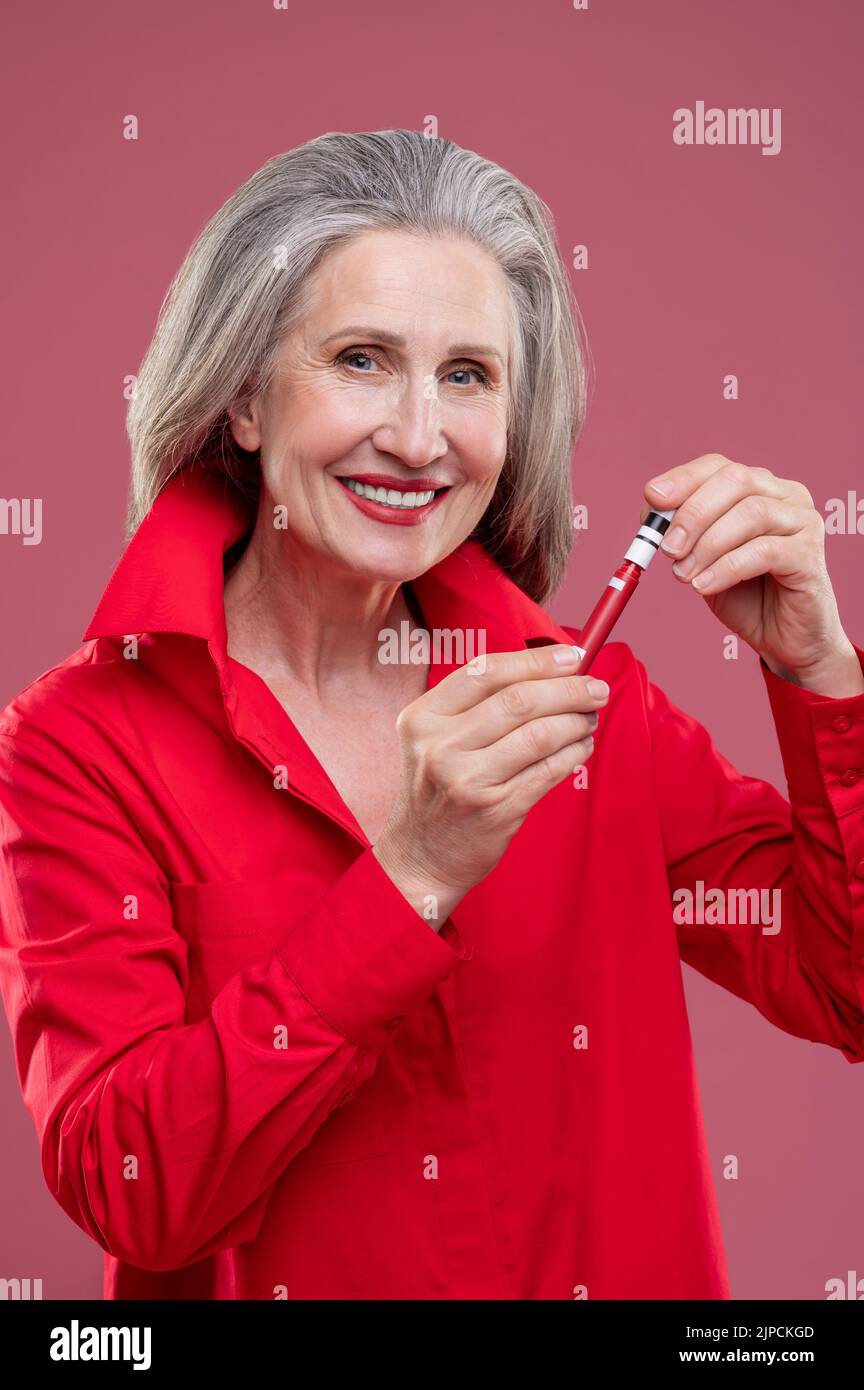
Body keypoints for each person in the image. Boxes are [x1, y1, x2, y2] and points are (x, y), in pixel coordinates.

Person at [0, 129, 862, 1301]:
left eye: (469, 375)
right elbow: (134, 1188)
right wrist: (409, 877)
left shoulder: (588, 701)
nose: (418, 437)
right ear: (244, 399)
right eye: (361, 359)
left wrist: (822, 674)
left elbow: (845, 982)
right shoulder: (80, 744)